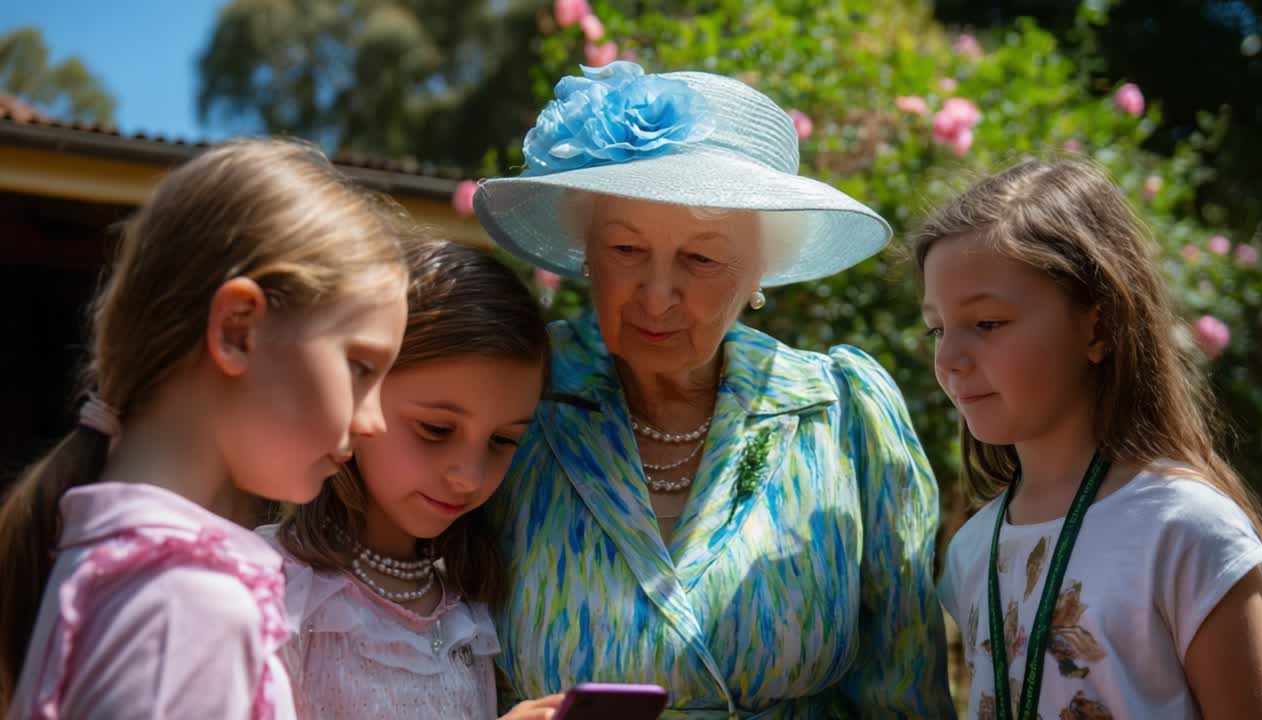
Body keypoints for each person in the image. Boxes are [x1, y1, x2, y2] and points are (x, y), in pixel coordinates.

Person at [473, 61, 955, 717]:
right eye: (625, 249)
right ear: (586, 250)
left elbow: (903, 690)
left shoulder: (840, 412)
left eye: (700, 259)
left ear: (761, 271)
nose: (656, 293)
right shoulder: (514, 395)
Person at [0, 138, 410, 718]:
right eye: (360, 367)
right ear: (239, 330)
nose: (374, 421)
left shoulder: (109, 566)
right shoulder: (187, 606)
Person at [919, 157, 1262, 718]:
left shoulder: (1183, 531)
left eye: (986, 323)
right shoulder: (972, 550)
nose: (948, 357)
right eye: (937, 328)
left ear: (1098, 325)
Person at [260, 238, 563, 719]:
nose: (468, 476)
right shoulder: (271, 592)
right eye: (436, 430)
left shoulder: (468, 612)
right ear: (358, 389)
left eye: (502, 441)